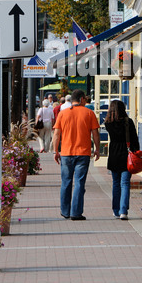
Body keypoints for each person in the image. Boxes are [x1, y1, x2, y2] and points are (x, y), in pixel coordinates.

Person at [52, 89, 100, 220]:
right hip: (83, 153)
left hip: (66, 153)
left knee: (66, 182)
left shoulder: (63, 114)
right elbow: (95, 133)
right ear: (82, 99)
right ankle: (76, 212)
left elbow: (56, 134)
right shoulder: (89, 113)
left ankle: (65, 211)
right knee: (79, 183)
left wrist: (56, 151)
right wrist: (97, 149)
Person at [104, 100, 139, 220]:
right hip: (127, 155)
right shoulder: (128, 122)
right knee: (125, 184)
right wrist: (136, 152)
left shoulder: (108, 123)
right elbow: (135, 139)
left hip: (114, 155)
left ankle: (116, 210)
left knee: (116, 184)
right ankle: (123, 211)